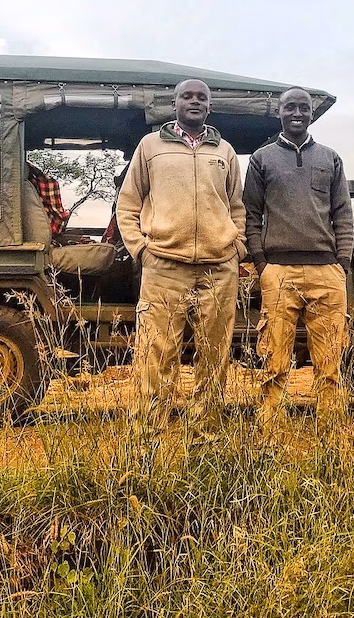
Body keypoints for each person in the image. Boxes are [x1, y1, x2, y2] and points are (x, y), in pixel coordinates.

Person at [116, 79, 247, 438]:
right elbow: (127, 204)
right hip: (163, 266)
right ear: (173, 104)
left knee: (215, 355)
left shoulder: (224, 151)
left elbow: (236, 206)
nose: (194, 102)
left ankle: (206, 434)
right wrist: (140, 249)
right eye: (186, 96)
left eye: (201, 98)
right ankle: (149, 437)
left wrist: (237, 246)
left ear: (209, 106)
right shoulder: (151, 147)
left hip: (219, 268)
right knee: (156, 353)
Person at [243, 86, 353, 428]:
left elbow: (342, 213)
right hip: (279, 272)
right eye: (290, 107)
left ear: (311, 113)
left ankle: (330, 431)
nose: (297, 113)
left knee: (330, 359)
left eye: (303, 108)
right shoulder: (262, 159)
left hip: (326, 273)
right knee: (274, 358)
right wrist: (262, 264)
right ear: (279, 112)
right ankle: (269, 429)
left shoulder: (330, 158)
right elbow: (251, 214)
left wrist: (342, 262)